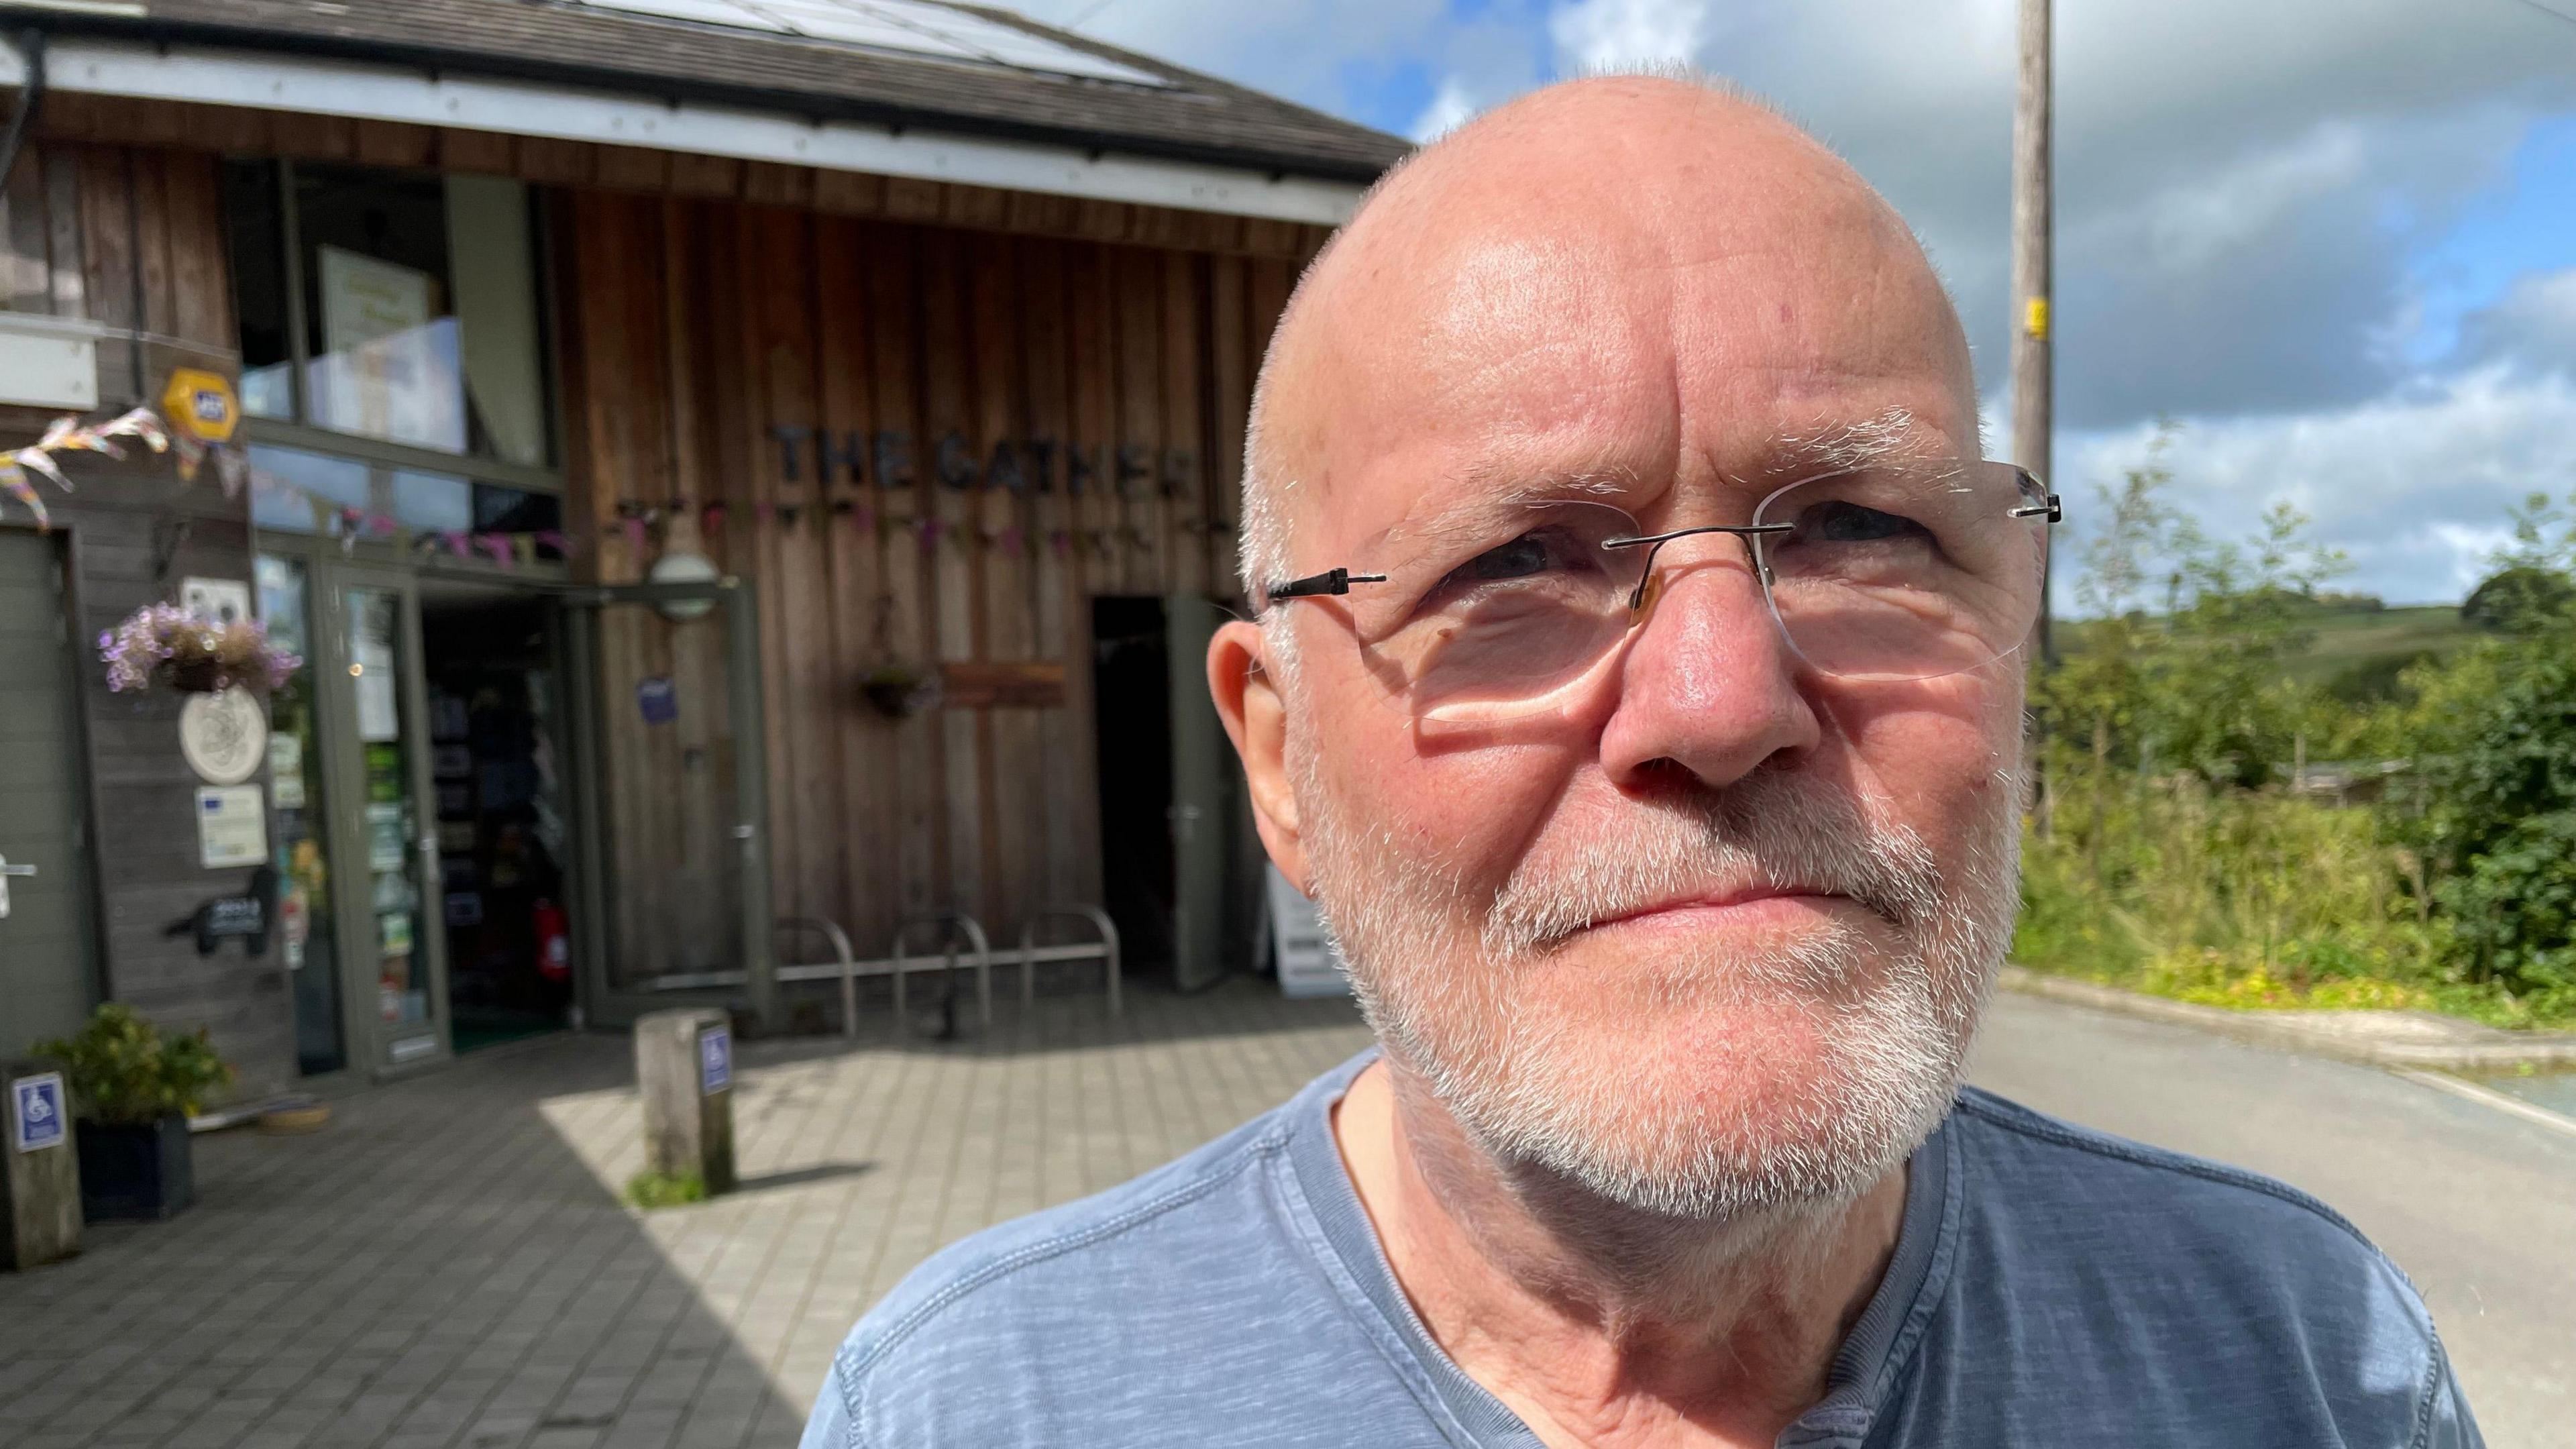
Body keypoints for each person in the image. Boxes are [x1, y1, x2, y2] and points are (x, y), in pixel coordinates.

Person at [798, 75, 2479, 1449]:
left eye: (1858, 527)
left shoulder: (2308, 1365)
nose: (1720, 698)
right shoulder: (980, 1407)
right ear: (1282, 756)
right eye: (1514, 563)